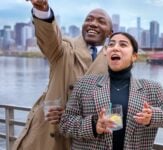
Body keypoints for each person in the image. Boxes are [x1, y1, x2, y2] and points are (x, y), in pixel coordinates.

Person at [59, 32, 163, 149]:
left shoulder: (151, 88)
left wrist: (152, 116)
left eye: (123, 45)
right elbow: (65, 123)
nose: (115, 48)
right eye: (111, 44)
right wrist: (94, 125)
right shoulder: (85, 84)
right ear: (106, 52)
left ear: (134, 56)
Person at [13, 0, 113, 149]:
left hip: (88, 141)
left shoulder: (114, 61)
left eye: (101, 21)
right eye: (89, 19)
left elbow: (116, 112)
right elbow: (49, 38)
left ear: (110, 32)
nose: (93, 23)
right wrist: (42, 9)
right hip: (50, 135)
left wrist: (73, 116)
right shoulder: (64, 49)